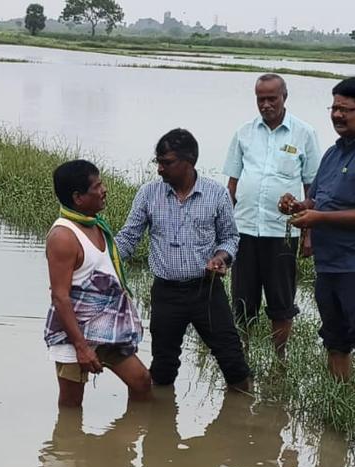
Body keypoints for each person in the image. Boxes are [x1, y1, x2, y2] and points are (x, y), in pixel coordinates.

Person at [279, 77, 355, 415]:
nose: (337, 115)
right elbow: (320, 201)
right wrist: (299, 206)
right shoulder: (334, 154)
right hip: (330, 265)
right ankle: (340, 416)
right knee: (335, 344)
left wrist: (319, 219)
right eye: (333, 108)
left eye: (345, 109)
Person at [116, 128, 251, 390]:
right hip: (166, 293)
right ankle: (159, 425)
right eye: (158, 162)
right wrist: (101, 263)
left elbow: (230, 238)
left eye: (166, 163)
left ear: (189, 162)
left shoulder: (216, 194)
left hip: (206, 290)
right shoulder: (148, 194)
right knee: (164, 367)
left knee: (232, 360)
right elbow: (128, 238)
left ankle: (245, 416)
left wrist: (220, 258)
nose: (160, 170)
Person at [223, 73, 322, 357]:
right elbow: (232, 185)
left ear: (284, 98)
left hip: (282, 233)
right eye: (260, 99)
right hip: (244, 230)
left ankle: (279, 357)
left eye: (271, 99)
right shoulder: (244, 133)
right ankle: (243, 353)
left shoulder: (304, 133)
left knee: (281, 301)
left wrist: (308, 235)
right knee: (242, 300)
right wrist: (223, 233)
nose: (266, 105)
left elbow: (311, 188)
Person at [45, 159, 151, 408]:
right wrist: (81, 347)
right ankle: (71, 447)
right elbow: (60, 297)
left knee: (142, 382)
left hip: (106, 331)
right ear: (78, 197)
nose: (104, 190)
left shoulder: (96, 225)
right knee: (71, 406)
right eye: (98, 186)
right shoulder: (63, 236)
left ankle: (126, 442)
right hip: (74, 335)